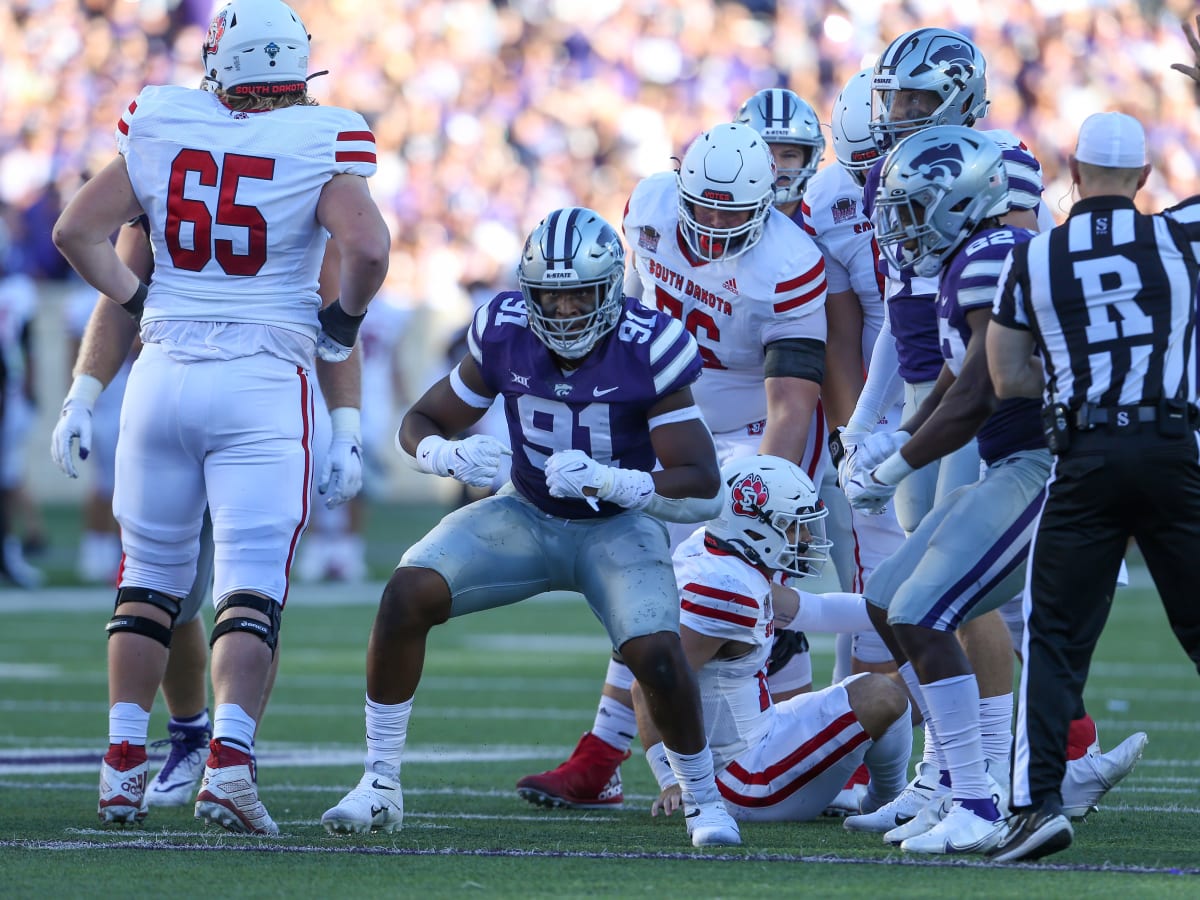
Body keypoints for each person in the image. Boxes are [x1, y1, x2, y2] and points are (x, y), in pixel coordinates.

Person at [51, 0, 389, 835]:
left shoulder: (164, 118)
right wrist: (342, 326)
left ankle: (121, 765)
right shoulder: (324, 137)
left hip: (162, 375)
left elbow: (75, 231)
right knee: (248, 588)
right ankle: (228, 767)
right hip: (261, 381)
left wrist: (146, 302)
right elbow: (370, 250)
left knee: (149, 583)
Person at [320, 206, 741, 847]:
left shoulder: (648, 345)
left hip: (617, 526)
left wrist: (617, 481)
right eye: (550, 295)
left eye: (579, 296)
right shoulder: (504, 329)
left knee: (655, 653)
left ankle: (705, 802)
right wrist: (444, 454)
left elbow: (702, 483)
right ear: (529, 290)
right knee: (407, 593)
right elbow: (421, 421)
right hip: (526, 512)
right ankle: (377, 783)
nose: (565, 311)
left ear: (608, 291)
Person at [842, 125, 1151, 855]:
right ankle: (956, 781)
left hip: (1046, 466)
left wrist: (898, 462)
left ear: (965, 200)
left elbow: (981, 388)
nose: (901, 224)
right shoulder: (966, 260)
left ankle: (978, 801)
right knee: (887, 598)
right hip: (1012, 462)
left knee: (920, 609)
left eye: (916, 208)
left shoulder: (993, 255)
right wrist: (897, 430)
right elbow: (958, 370)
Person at [515, 121, 830, 809]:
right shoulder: (651, 205)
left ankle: (783, 744)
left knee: (720, 590)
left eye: (733, 211)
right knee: (645, 579)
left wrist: (756, 498)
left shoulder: (789, 260)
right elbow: (624, 309)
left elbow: (792, 403)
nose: (715, 224)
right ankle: (609, 756)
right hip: (666, 416)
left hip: (752, 431)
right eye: (705, 206)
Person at [985, 61, 1200, 860]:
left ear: (1073, 173)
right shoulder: (1178, 233)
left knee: (1057, 639)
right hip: (1172, 445)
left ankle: (1039, 805)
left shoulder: (1033, 258)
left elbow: (1007, 377)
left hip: (1084, 451)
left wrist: (1080, 378)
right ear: (1145, 177)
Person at [636, 455, 914, 824]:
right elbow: (650, 685)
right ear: (753, 528)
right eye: (794, 526)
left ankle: (887, 802)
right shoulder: (724, 592)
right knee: (884, 695)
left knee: (878, 691)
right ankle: (890, 803)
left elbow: (815, 610)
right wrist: (674, 781)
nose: (809, 538)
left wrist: (901, 608)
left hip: (753, 744)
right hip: (744, 782)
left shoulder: (715, 553)